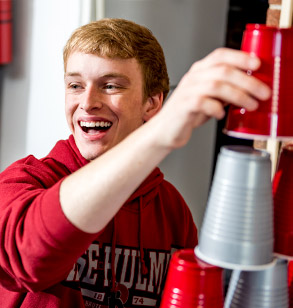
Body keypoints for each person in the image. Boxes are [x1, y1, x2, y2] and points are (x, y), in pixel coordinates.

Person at [0, 18, 271, 308]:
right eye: (76, 85)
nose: (88, 101)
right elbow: (30, 257)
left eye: (111, 85)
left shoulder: (172, 210)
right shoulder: (25, 180)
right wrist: (161, 132)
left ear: (152, 103)